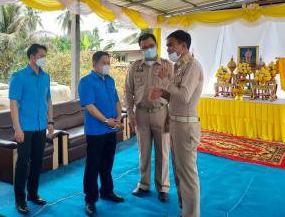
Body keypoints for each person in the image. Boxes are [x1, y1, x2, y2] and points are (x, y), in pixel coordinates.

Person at [149, 30, 203, 217]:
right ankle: (184, 210)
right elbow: (175, 97)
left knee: (188, 175)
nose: (168, 49)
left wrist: (165, 80)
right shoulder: (180, 67)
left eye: (171, 45)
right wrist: (162, 93)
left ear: (183, 46)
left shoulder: (193, 67)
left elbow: (185, 96)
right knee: (179, 171)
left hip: (186, 126)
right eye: (167, 46)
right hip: (176, 124)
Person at [125, 33, 172, 202]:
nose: (147, 49)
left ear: (156, 45)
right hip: (141, 114)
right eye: (144, 47)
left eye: (150, 45)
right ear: (140, 49)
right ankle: (144, 184)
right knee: (143, 152)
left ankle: (163, 187)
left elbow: (174, 93)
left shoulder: (167, 66)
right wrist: (130, 114)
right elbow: (128, 92)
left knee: (163, 152)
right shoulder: (135, 67)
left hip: (161, 112)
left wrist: (170, 117)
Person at [9, 44, 54, 215]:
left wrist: (50, 122)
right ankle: (20, 199)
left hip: (41, 127)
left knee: (37, 161)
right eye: (42, 55)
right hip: (25, 128)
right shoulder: (18, 77)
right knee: (22, 163)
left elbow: (48, 100)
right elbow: (13, 103)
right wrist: (17, 128)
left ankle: (33, 194)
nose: (44, 58)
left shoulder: (46, 77)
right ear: (32, 57)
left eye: (45, 55)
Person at [78, 51, 125, 216]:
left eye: (108, 63)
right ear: (94, 64)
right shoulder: (86, 82)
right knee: (93, 165)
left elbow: (117, 101)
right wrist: (106, 120)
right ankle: (90, 200)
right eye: (104, 63)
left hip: (111, 129)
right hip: (96, 131)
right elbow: (89, 106)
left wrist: (119, 117)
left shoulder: (110, 80)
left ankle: (107, 191)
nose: (107, 66)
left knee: (107, 163)